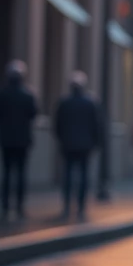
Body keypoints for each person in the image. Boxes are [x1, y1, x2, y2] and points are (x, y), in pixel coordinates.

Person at [54, 71, 102, 220]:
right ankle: (81, 208)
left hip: (68, 145)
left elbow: (57, 125)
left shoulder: (64, 102)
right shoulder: (90, 103)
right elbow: (96, 125)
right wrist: (95, 142)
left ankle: (67, 207)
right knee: (83, 177)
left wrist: (62, 139)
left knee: (67, 176)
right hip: (84, 146)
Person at [0, 61, 37, 219]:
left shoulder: (3, 93)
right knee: (20, 173)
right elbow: (33, 114)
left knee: (6, 173)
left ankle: (5, 206)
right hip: (22, 140)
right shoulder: (27, 95)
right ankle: (19, 206)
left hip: (6, 139)